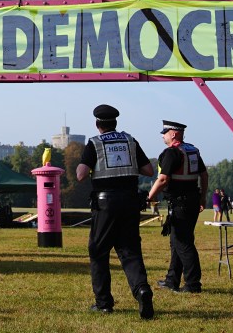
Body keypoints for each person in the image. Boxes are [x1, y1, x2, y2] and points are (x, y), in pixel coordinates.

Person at [76, 104, 155, 320]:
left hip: (105, 204)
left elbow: (81, 175)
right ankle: (142, 290)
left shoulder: (94, 143)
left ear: (97, 124)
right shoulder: (130, 141)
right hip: (130, 201)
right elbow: (149, 170)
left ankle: (103, 303)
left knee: (99, 251)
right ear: (115, 123)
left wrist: (90, 166)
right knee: (130, 250)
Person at [147, 120, 208, 294]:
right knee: (177, 242)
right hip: (192, 200)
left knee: (183, 243)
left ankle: (193, 284)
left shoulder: (172, 153)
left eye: (164, 133)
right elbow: (204, 175)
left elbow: (163, 179)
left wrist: (149, 197)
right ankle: (171, 280)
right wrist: (203, 197)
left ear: (173, 134)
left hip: (180, 203)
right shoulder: (192, 151)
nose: (162, 136)